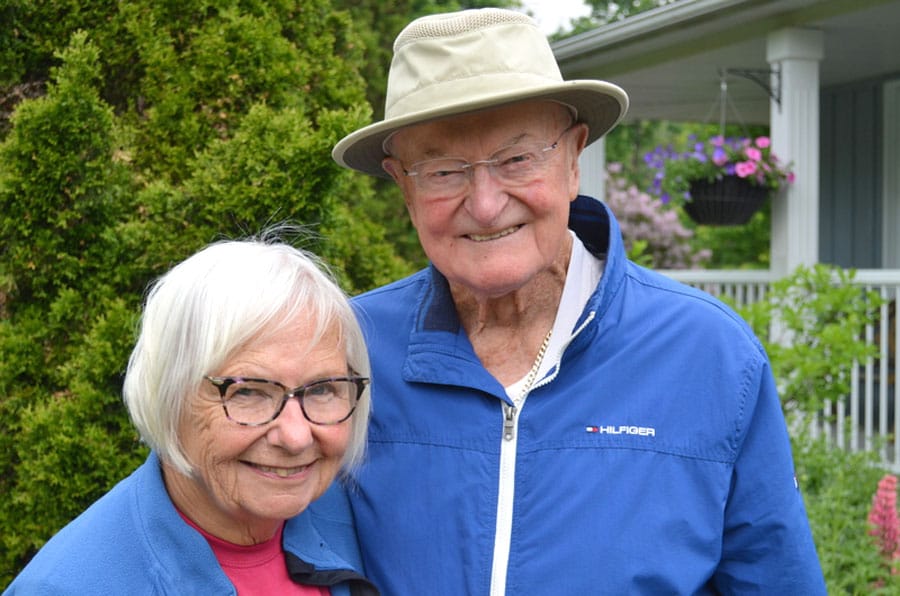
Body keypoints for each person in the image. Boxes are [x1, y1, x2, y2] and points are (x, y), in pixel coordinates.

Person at [330, 7, 826, 594]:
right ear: (403, 186)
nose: (486, 205)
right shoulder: (345, 353)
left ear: (573, 159)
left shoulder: (708, 354)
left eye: (517, 159)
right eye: (443, 170)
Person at [4, 236, 379, 595]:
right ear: (167, 395)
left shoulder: (354, 519)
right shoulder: (68, 588)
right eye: (247, 391)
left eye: (322, 389)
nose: (297, 437)